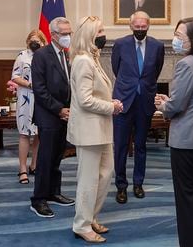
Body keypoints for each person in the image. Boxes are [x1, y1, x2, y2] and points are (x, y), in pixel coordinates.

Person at [155, 17, 193, 247]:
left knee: (186, 200)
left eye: (180, 37)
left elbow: (176, 107)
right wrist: (170, 101)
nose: (176, 40)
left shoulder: (186, 64)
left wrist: (163, 104)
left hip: (187, 141)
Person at [67, 16, 123, 243]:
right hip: (89, 131)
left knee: (105, 173)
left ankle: (91, 218)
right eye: (100, 31)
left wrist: (110, 105)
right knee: (89, 179)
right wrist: (112, 106)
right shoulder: (83, 61)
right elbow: (85, 100)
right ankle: (81, 224)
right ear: (90, 34)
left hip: (100, 129)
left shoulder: (93, 58)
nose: (103, 35)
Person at [112, 11, 164, 204]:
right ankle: (121, 185)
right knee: (121, 146)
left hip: (145, 102)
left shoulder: (157, 46)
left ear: (148, 26)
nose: (140, 29)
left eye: (144, 26)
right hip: (123, 102)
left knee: (141, 145)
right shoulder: (120, 44)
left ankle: (138, 183)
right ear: (131, 26)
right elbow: (116, 69)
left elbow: (156, 70)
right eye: (137, 26)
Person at [30, 17, 75, 218]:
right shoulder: (41, 55)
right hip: (49, 115)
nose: (68, 37)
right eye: (65, 33)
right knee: (45, 159)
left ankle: (54, 192)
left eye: (69, 33)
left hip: (65, 115)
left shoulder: (67, 54)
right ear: (54, 35)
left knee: (57, 156)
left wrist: (69, 109)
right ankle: (38, 199)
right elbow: (39, 90)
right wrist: (59, 109)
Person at [11, 29, 47, 184]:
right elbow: (15, 77)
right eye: (32, 39)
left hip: (42, 99)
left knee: (39, 134)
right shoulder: (22, 56)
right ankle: (23, 169)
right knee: (25, 134)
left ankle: (34, 165)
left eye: (37, 40)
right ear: (27, 41)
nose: (34, 42)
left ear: (43, 42)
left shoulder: (46, 55)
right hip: (26, 98)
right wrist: (30, 84)